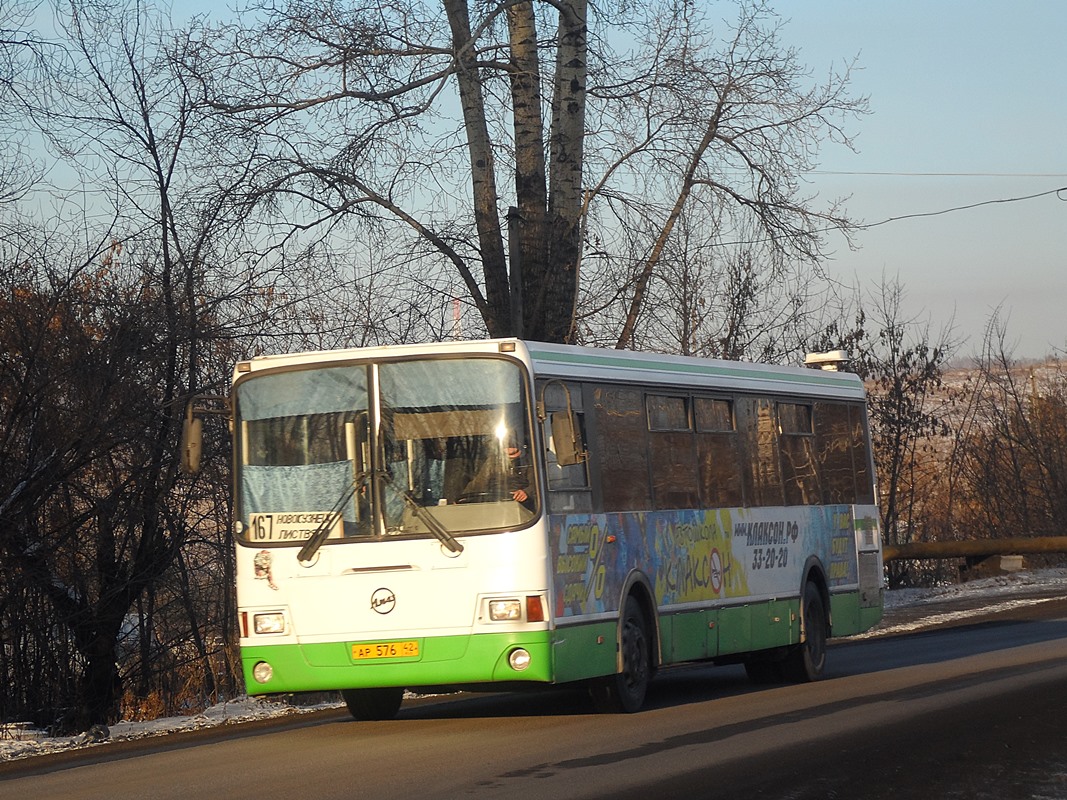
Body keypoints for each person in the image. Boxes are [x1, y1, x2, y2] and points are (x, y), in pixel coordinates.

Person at [461, 437, 532, 507]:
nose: (509, 444)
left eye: (512, 442)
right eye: (506, 442)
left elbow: (537, 485)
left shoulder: (532, 461)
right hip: (493, 506)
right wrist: (463, 497)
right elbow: (478, 483)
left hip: (525, 507)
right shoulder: (493, 462)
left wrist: (526, 492)